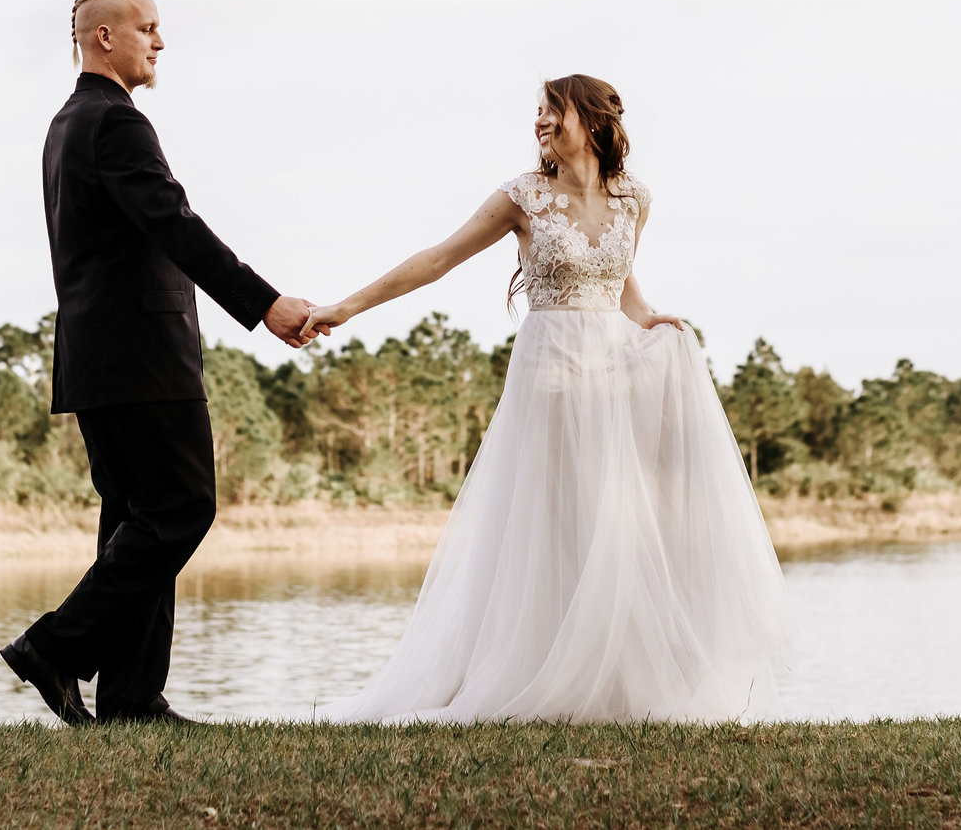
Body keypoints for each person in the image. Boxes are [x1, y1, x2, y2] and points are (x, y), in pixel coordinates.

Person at [301, 73, 793, 723]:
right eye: (535, 112)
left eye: (550, 111)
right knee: (550, 523)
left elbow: (623, 287)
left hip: (612, 377)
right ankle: (533, 672)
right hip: (550, 373)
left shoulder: (635, 199)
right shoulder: (522, 196)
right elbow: (439, 257)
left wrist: (656, 323)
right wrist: (346, 305)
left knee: (611, 524)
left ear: (589, 121)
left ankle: (613, 679)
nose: (538, 123)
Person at [0, 0, 318, 726]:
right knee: (181, 508)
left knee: (134, 518)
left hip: (98, 357)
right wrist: (263, 302)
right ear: (102, 37)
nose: (160, 41)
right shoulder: (114, 123)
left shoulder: (64, 123)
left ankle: (133, 698)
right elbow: (176, 226)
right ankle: (54, 644)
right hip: (142, 353)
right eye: (148, 27)